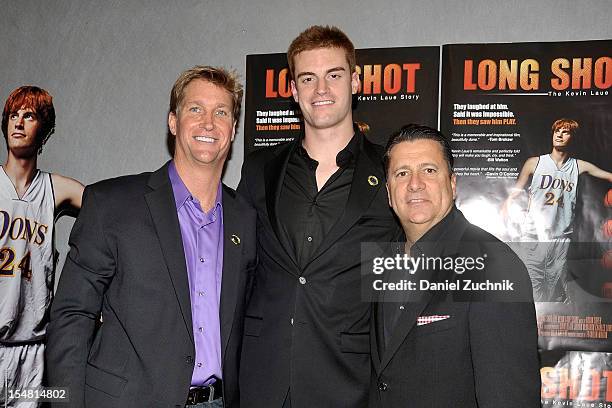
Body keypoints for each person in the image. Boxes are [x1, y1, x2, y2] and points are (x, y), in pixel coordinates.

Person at [46, 66, 256, 408]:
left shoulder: (245, 219)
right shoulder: (111, 203)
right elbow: (72, 315)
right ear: (173, 122)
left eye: (221, 112)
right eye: (195, 109)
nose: (208, 123)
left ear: (233, 130)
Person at [238, 26, 398, 407]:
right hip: (262, 381)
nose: (321, 89)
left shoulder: (392, 170)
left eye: (334, 76)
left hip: (348, 384)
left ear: (355, 82)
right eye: (307, 78)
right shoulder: (259, 169)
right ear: (293, 90)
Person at [371, 124, 540, 407]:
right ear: (389, 193)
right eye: (402, 173)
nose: (415, 183)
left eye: (429, 170)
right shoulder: (381, 261)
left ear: (452, 183)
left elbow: (508, 398)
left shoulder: (493, 266)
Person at [0, 86, 83, 407]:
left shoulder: (57, 189)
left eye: (29, 116)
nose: (18, 123)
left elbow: (109, 213)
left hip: (32, 350)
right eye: (13, 115)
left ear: (44, 129)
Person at [502, 119, 612, 301]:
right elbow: (513, 193)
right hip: (533, 236)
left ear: (573, 137)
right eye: (557, 131)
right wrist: (505, 208)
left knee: (555, 292)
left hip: (561, 238)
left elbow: (608, 176)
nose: (559, 135)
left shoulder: (579, 166)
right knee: (532, 287)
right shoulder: (534, 163)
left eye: (565, 132)